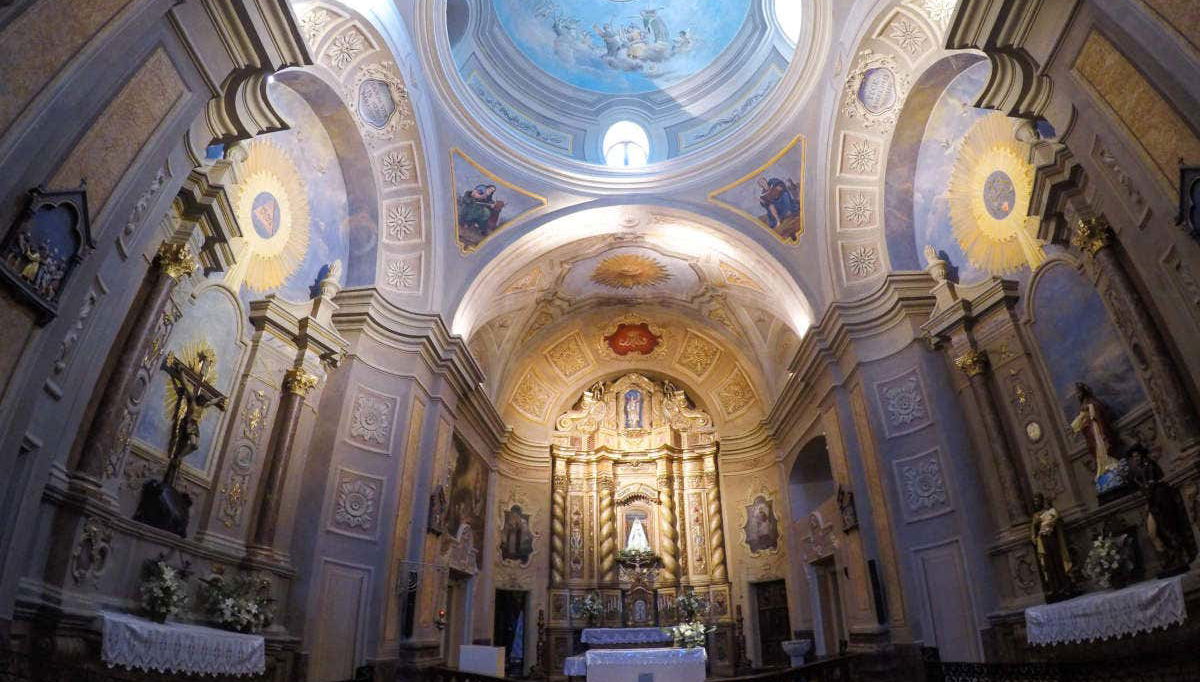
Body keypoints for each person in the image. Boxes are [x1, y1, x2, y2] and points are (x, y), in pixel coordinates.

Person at [1030, 493, 1074, 602]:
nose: (1036, 503)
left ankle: (1065, 585)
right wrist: (1035, 529)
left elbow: (1059, 522)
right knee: (1049, 566)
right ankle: (1054, 588)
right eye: (1034, 502)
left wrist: (1052, 522)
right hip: (1043, 542)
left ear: (1042, 501)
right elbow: (1033, 531)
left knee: (1058, 561)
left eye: (1037, 501)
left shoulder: (1051, 512)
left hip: (1053, 539)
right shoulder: (1035, 516)